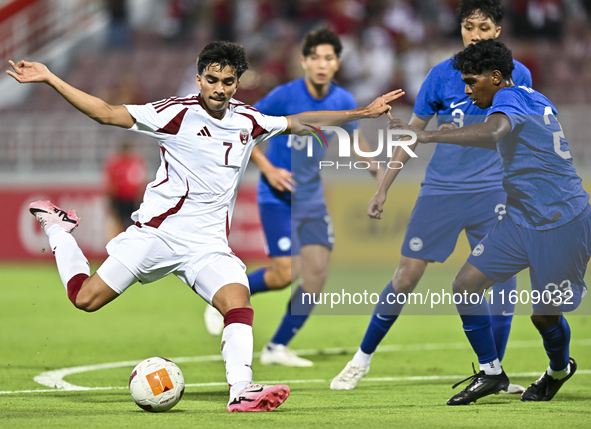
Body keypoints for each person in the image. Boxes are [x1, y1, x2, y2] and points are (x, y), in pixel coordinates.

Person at [6, 41, 402, 412]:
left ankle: (241, 390)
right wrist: (51, 78)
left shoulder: (247, 120)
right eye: (211, 80)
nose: (219, 88)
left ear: (237, 83)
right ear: (199, 79)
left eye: (228, 81)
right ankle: (58, 228)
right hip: (157, 235)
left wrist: (362, 113)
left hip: (208, 245)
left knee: (237, 302)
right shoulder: (175, 113)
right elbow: (106, 113)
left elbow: (301, 122)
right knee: (85, 299)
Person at [331, 0, 530, 392]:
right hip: (442, 191)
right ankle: (361, 359)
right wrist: (383, 186)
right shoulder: (441, 76)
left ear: (498, 32)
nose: (476, 34)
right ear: (460, 30)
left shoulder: (517, 75)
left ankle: (495, 374)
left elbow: (521, 133)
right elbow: (411, 135)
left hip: (494, 191)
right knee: (406, 277)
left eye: (484, 27)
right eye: (469, 27)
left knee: (505, 286)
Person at [390, 38, 590, 405]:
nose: (466, 90)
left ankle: (558, 370)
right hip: (521, 218)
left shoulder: (507, 101)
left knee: (544, 317)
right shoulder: (533, 97)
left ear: (495, 78)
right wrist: (452, 134)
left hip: (562, 221)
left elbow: (496, 131)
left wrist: (429, 135)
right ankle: (492, 372)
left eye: (472, 81)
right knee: (466, 284)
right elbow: (502, 137)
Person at [204, 27, 385, 368]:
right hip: (276, 195)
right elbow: (242, 130)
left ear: (337, 63)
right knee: (284, 274)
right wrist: (268, 170)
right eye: (314, 57)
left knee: (315, 275)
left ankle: (276, 347)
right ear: (303, 61)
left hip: (311, 197)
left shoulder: (344, 101)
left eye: (328, 58)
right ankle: (221, 296)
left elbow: (355, 141)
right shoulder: (283, 96)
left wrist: (377, 170)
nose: (321, 64)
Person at [104, 141, 147, 236]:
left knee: (131, 223)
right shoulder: (119, 163)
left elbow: (141, 181)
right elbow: (111, 184)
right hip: (120, 198)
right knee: (120, 223)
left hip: (131, 198)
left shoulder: (133, 163)